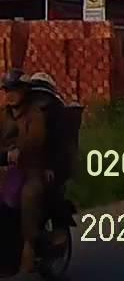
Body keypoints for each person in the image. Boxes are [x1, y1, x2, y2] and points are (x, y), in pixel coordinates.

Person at [0, 70, 62, 273]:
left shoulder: (35, 115)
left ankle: (29, 244)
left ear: (24, 91)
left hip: (31, 169)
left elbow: (34, 140)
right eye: (7, 90)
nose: (10, 94)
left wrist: (19, 151)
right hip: (6, 169)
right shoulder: (2, 116)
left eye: (15, 90)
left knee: (29, 195)